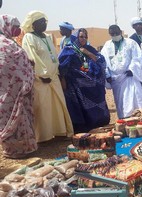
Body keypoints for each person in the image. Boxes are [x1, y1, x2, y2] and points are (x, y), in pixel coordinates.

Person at [21, 10, 73, 142]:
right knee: (43, 107)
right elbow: (32, 57)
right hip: (41, 79)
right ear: (33, 24)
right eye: (41, 22)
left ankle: (59, 131)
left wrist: (58, 73)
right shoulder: (29, 37)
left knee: (58, 105)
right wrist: (42, 74)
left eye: (45, 21)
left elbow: (54, 56)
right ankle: (44, 137)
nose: (44, 24)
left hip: (54, 77)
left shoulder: (47, 37)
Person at [58, 28, 110, 133]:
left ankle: (98, 122)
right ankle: (81, 127)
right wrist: (63, 80)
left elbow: (101, 61)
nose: (84, 39)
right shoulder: (69, 50)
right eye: (81, 37)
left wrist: (88, 53)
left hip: (91, 81)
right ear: (75, 37)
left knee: (98, 89)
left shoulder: (89, 48)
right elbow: (61, 67)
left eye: (85, 37)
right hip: (75, 84)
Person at [0, 14, 37, 158]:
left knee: (23, 118)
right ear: (6, 26)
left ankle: (25, 148)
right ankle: (15, 149)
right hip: (10, 90)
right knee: (12, 118)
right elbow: (7, 67)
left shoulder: (11, 42)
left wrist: (27, 63)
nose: (17, 30)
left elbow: (20, 62)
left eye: (17, 27)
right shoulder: (4, 44)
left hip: (18, 89)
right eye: (14, 26)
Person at [101, 25, 142, 119]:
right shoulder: (107, 45)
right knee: (121, 102)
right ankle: (124, 121)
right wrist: (107, 74)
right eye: (112, 34)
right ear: (109, 34)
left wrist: (132, 69)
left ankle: (138, 120)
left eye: (117, 33)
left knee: (134, 100)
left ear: (121, 32)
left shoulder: (131, 43)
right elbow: (103, 61)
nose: (115, 35)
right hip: (116, 80)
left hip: (129, 77)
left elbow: (137, 57)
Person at [130, 17, 142, 101]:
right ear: (133, 27)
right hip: (140, 66)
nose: (138, 26)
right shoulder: (131, 39)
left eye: (140, 24)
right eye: (136, 25)